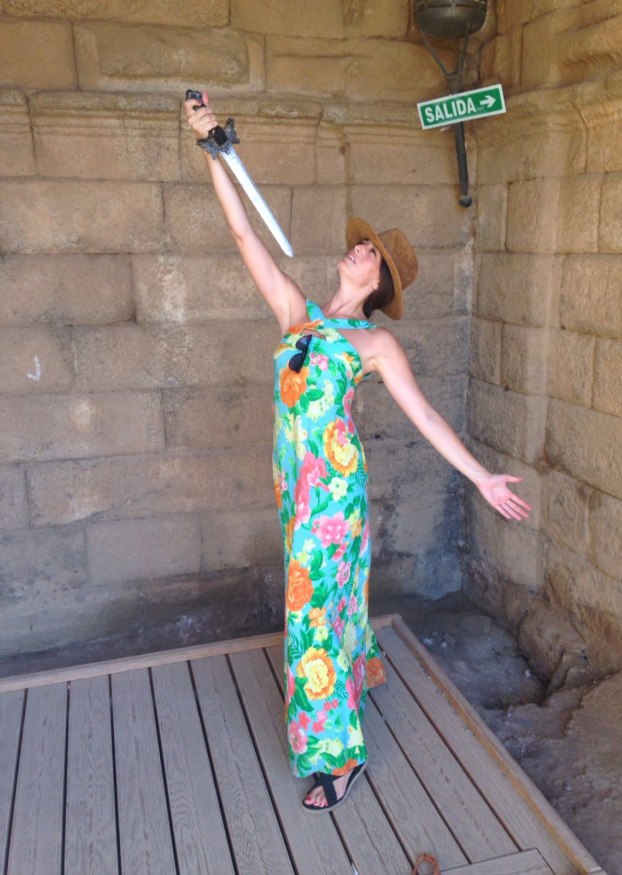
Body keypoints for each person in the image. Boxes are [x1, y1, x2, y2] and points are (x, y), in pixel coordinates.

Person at [184, 93, 531, 813]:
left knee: (311, 619)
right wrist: (213, 147)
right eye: (361, 243)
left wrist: (481, 478)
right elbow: (243, 234)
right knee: (327, 611)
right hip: (295, 490)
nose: (358, 248)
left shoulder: (374, 343)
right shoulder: (298, 314)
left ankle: (339, 758)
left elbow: (425, 416)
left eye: (369, 252)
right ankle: (354, 673)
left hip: (332, 499)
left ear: (378, 283)